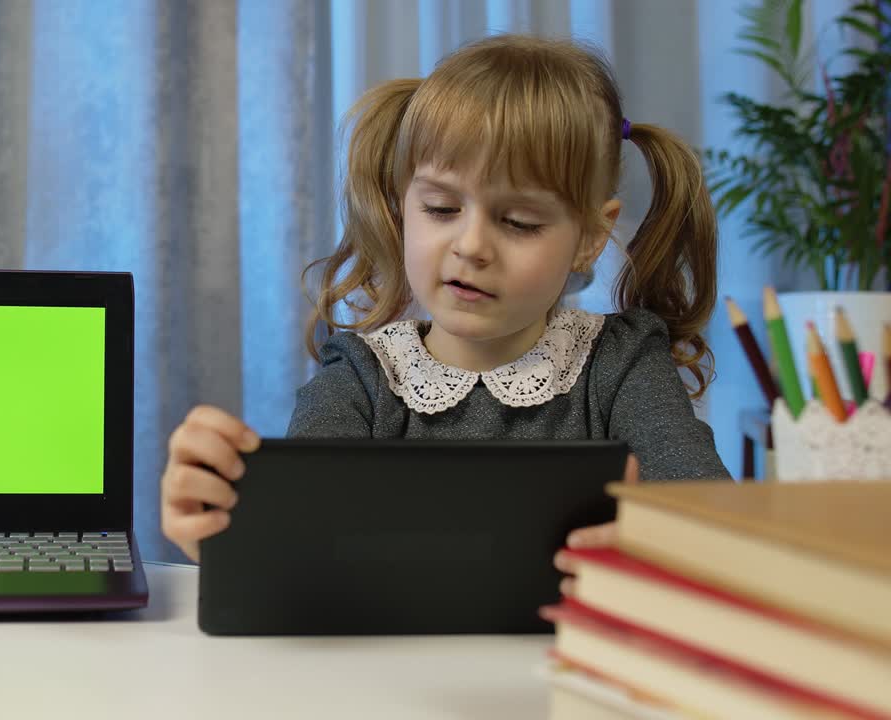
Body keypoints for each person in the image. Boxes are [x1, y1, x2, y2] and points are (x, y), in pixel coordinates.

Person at [161, 34, 730, 596]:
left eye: (520, 222)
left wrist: (660, 543)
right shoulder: (362, 378)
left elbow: (716, 529)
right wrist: (223, 534)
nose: (472, 246)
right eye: (441, 208)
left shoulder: (622, 364)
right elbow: (292, 554)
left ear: (590, 236)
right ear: (403, 205)